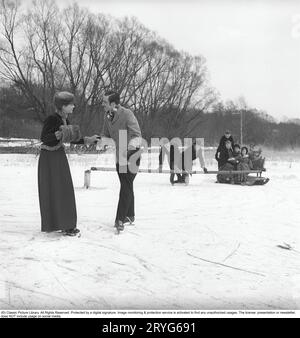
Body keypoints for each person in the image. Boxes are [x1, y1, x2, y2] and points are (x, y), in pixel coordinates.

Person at [38, 91, 98, 236]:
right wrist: (57, 135)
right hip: (49, 158)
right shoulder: (52, 119)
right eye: (71, 104)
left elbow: (73, 138)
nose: (73, 106)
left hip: (58, 156)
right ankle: (62, 224)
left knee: (64, 190)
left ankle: (66, 224)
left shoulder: (65, 120)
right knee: (57, 190)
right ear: (63, 106)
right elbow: (44, 138)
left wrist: (88, 140)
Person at [99, 91, 142, 233]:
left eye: (105, 102)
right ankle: (130, 215)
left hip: (132, 154)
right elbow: (105, 134)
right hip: (119, 155)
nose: (102, 104)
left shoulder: (127, 114)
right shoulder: (107, 117)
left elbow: (137, 135)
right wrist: (103, 142)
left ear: (113, 103)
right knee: (127, 185)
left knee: (126, 186)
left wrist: (130, 147)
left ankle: (120, 218)